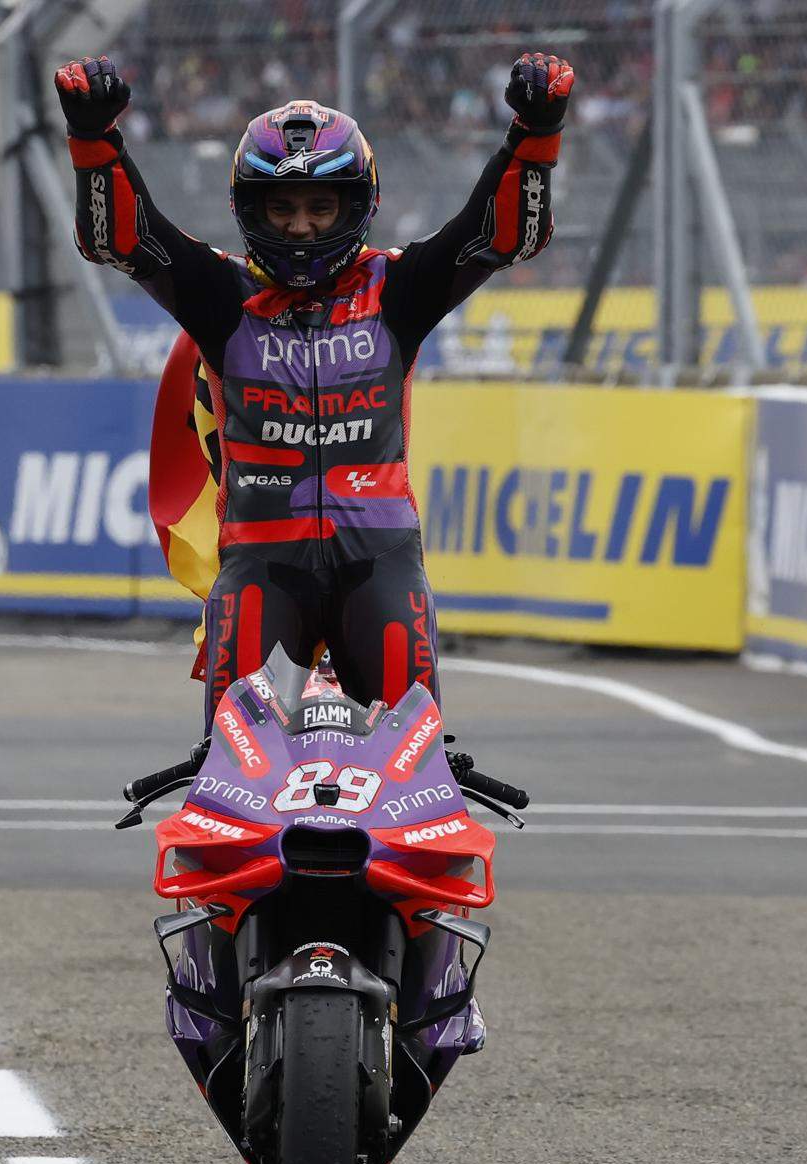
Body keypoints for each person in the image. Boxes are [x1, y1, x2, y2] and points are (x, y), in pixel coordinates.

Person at [56, 51, 572, 728]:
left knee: (418, 763)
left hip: (381, 566)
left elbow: (505, 233)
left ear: (356, 205)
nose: (301, 225)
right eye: (284, 206)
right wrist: (95, 143)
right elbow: (120, 239)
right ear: (249, 208)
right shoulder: (219, 294)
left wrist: (534, 135)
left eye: (321, 206)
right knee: (229, 774)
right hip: (261, 571)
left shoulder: (399, 289)